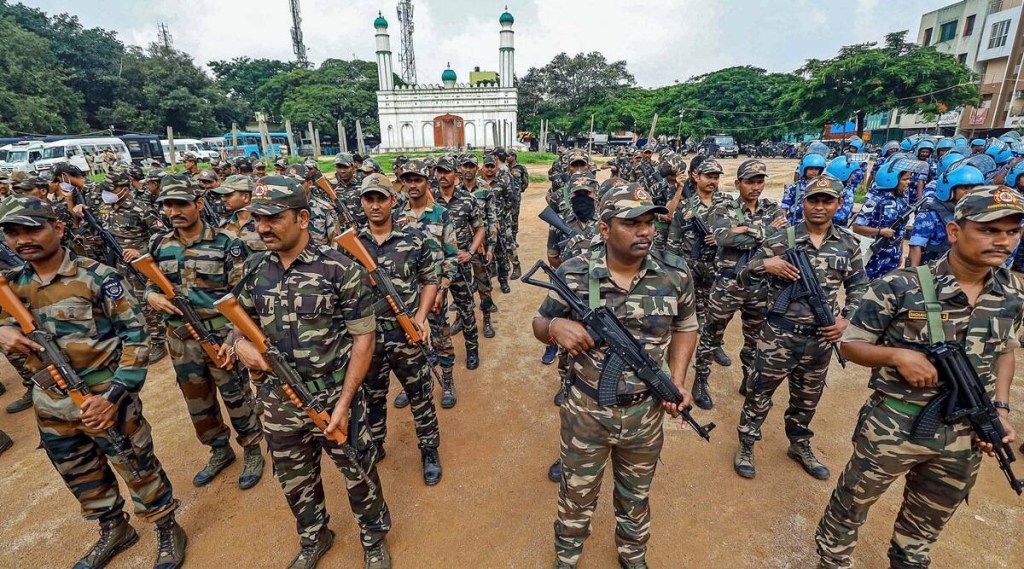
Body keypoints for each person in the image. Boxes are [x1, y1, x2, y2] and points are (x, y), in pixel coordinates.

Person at [815, 185, 1023, 569]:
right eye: (990, 230)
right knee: (851, 506)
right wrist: (896, 355)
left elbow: (1006, 350)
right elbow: (851, 344)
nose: (1003, 240)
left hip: (966, 433)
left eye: (1012, 231)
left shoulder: (1011, 292)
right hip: (894, 424)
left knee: (926, 525)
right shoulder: (901, 286)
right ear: (955, 231)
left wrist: (1000, 408)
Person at [0, 195, 186, 569]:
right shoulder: (11, 286)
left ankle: (167, 526)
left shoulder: (97, 277)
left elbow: (137, 340)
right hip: (50, 403)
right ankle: (113, 527)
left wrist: (114, 395)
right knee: (79, 472)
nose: (23, 240)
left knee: (135, 464)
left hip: (105, 397)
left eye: (32, 229)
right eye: (13, 233)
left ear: (59, 228)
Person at [229, 176, 392, 569]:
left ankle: (373, 538)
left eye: (273, 218)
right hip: (277, 401)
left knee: (359, 473)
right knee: (294, 478)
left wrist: (346, 402)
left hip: (333, 397)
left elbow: (363, 341)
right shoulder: (254, 270)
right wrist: (241, 346)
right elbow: (237, 322)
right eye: (257, 219)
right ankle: (314, 537)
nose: (262, 227)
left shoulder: (340, 269)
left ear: (303, 218)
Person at [533, 183, 698, 569]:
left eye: (649, 222)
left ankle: (632, 555)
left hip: (645, 414)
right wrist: (557, 325)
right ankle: (567, 557)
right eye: (632, 223)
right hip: (587, 410)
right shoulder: (575, 272)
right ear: (604, 230)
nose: (645, 231)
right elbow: (539, 323)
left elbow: (686, 325)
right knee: (576, 494)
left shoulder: (675, 273)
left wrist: (675, 381)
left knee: (635, 496)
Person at [734, 176, 867, 480]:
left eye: (827, 201)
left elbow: (859, 286)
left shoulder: (848, 244)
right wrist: (765, 266)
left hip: (820, 339)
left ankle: (799, 443)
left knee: (807, 398)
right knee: (759, 393)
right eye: (813, 200)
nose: (819, 207)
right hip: (778, 336)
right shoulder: (782, 239)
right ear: (803, 203)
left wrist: (846, 318)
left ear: (839, 204)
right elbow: (743, 275)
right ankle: (747, 442)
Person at [146, 177, 265, 490]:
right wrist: (152, 297)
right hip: (180, 339)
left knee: (235, 394)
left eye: (181, 204)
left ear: (198, 204)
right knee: (197, 400)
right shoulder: (159, 245)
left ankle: (252, 446)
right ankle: (219, 449)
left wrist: (233, 339)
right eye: (168, 206)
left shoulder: (226, 243)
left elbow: (240, 294)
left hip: (218, 334)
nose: (174, 211)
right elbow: (148, 284)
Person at [356, 178, 444, 484]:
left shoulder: (414, 239)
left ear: (394, 200)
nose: (375, 205)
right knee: (372, 396)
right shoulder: (351, 244)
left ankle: (429, 449)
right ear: (363, 202)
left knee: (420, 395)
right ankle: (376, 443)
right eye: (369, 199)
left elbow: (429, 280)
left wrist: (420, 318)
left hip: (406, 336)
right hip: (367, 339)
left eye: (381, 198)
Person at [693, 160, 785, 409]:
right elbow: (722, 237)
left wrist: (746, 230)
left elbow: (781, 241)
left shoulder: (772, 208)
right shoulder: (723, 208)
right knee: (711, 335)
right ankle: (700, 380)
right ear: (738, 184)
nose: (756, 187)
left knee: (754, 339)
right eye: (750, 181)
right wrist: (763, 231)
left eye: (760, 181)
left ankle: (748, 378)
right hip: (728, 284)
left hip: (759, 286)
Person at [393, 159, 458, 408]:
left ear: (426, 182)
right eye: (407, 180)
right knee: (409, 341)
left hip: (436, 291)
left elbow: (451, 255)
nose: (412, 185)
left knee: (441, 338)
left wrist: (442, 289)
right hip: (406, 293)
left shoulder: (441, 214)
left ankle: (448, 382)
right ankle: (415, 384)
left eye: (417, 179)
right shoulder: (397, 216)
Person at [91, 171, 169, 364]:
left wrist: (140, 250)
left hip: (140, 265)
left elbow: (162, 236)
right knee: (126, 303)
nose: (107, 193)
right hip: (118, 264)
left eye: (112, 189)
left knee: (146, 303)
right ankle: (140, 339)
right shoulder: (106, 208)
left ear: (124, 189)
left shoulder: (141, 209)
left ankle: (158, 341)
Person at [664, 158, 730, 378]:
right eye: (708, 176)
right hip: (689, 267)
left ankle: (714, 345)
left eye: (716, 177)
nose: (713, 181)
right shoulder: (685, 205)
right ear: (696, 177)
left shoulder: (728, 203)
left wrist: (722, 238)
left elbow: (742, 232)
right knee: (683, 315)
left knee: (716, 313)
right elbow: (673, 241)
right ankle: (673, 358)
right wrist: (674, 273)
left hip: (718, 267)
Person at [433, 154, 485, 375]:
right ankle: (440, 350)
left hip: (461, 265)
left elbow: (480, 228)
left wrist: (471, 252)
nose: (442, 176)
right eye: (439, 171)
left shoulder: (467, 200)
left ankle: (472, 349)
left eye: (446, 171)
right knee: (436, 312)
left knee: (466, 309)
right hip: (435, 268)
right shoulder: (429, 200)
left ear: (456, 174)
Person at [908, 162, 985, 267]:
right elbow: (916, 247)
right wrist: (914, 275)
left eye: (974, 188)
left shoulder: (975, 212)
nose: (969, 192)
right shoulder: (930, 214)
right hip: (934, 269)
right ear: (949, 189)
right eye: (965, 188)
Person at [851, 159, 918, 280]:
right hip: (875, 255)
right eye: (905, 179)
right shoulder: (875, 200)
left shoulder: (902, 200)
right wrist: (879, 232)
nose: (908, 182)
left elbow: (901, 230)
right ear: (891, 180)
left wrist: (900, 253)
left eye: (909, 179)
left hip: (893, 253)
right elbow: (857, 227)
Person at [213, 174, 266, 252]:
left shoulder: (264, 224)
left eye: (228, 195)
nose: (223, 199)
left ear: (246, 197)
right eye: (223, 195)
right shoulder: (224, 224)